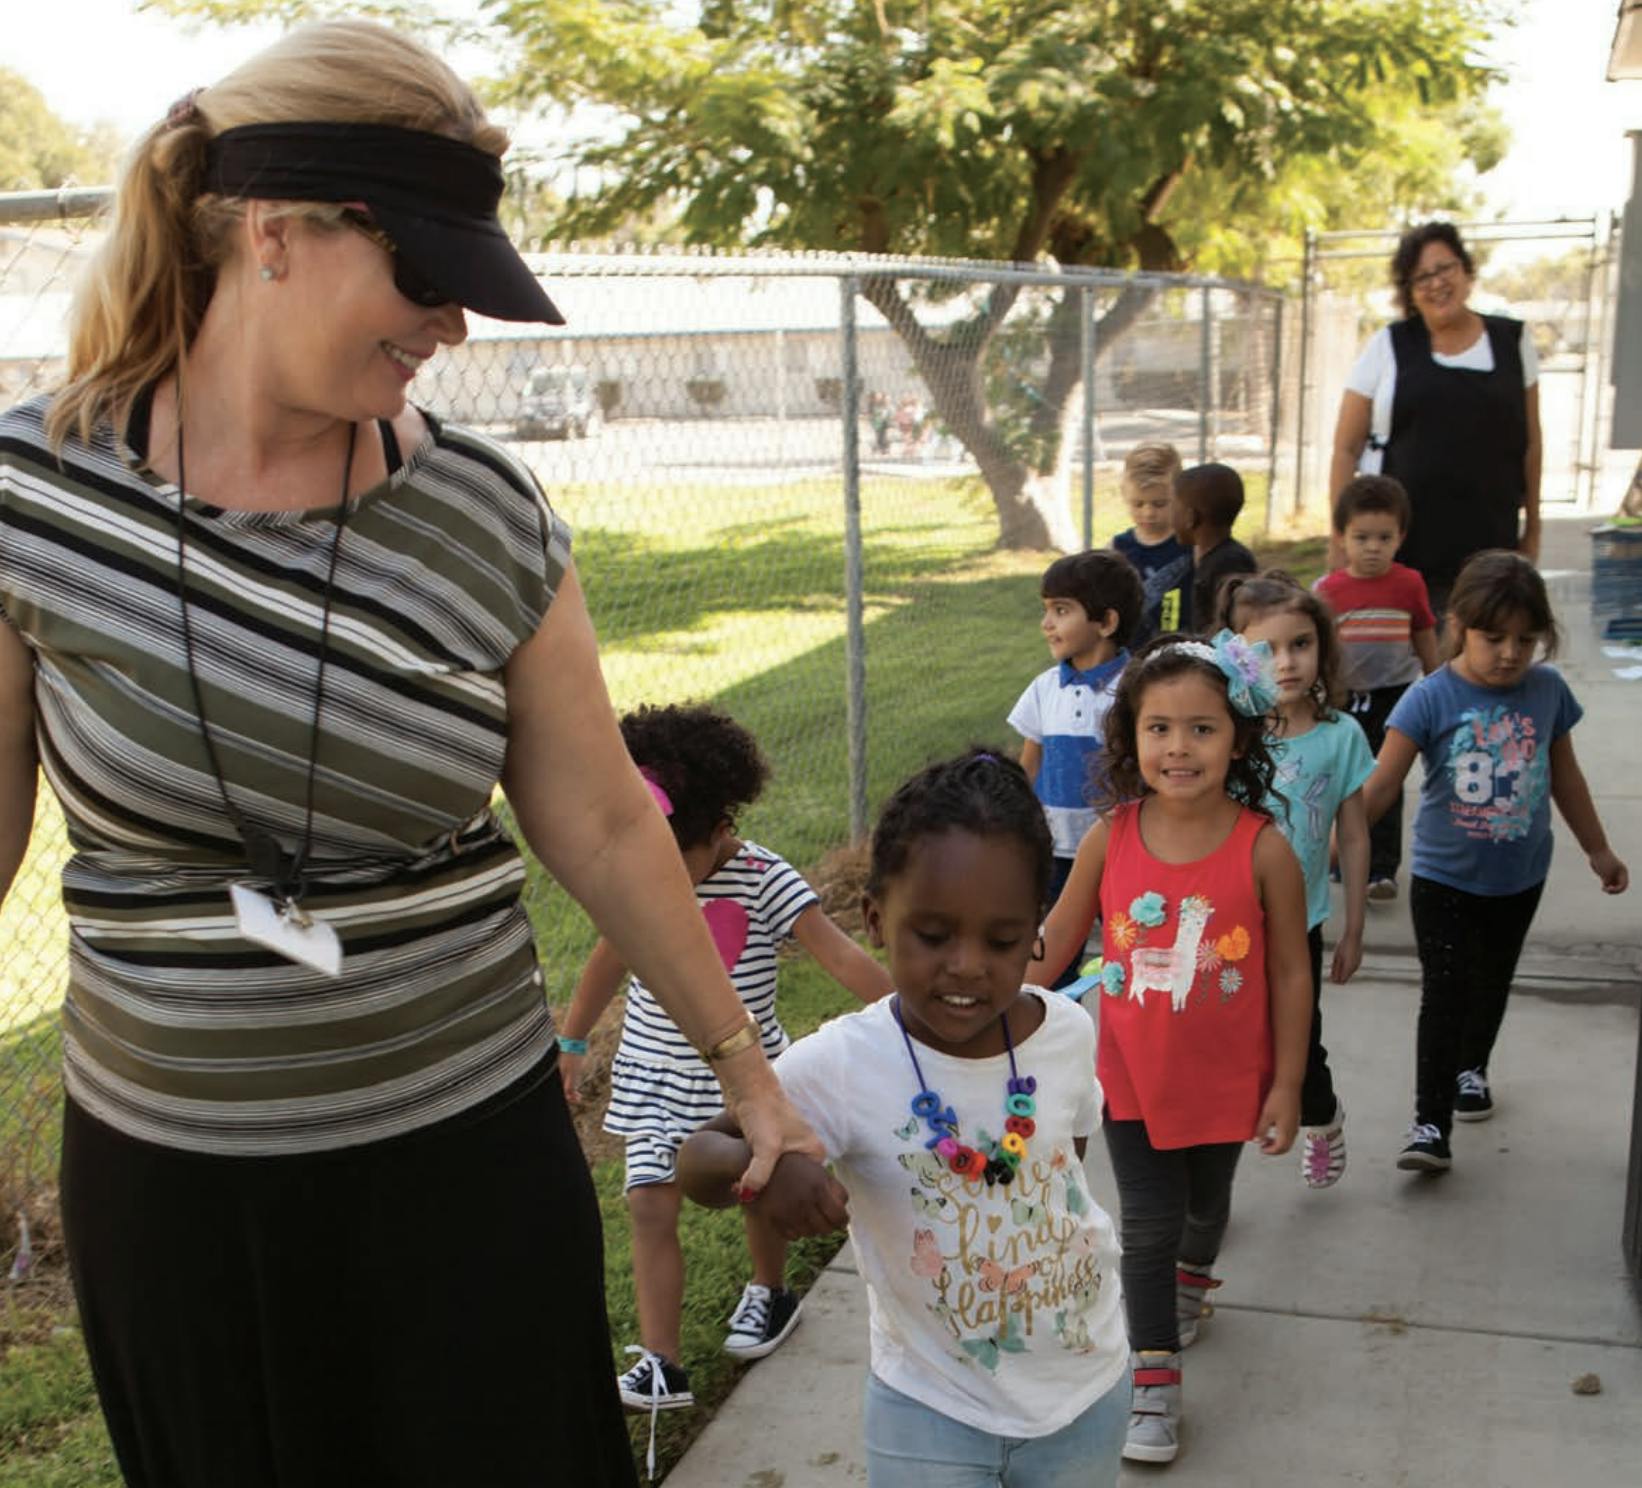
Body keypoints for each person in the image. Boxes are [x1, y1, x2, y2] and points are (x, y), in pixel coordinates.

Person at [0, 23, 823, 1487]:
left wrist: (742, 1066)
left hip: (459, 1161)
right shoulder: (34, 497)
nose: (454, 329)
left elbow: (605, 824)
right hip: (178, 1191)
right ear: (275, 233)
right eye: (427, 281)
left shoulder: (483, 513)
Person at [678, 750, 1132, 1488]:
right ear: (876, 920)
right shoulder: (848, 1064)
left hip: (1086, 1385)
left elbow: (1064, 1168)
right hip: (930, 1410)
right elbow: (696, 1156)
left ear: (1036, 933)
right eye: (933, 934)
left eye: (1002, 940)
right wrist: (761, 1168)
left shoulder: (1066, 1033)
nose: (967, 966)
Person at [555, 703, 890, 1427]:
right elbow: (607, 959)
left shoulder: (765, 878)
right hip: (653, 1072)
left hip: (742, 1081)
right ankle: (661, 1362)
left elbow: (840, 956)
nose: (657, 873)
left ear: (718, 829)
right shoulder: (643, 881)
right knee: (648, 1204)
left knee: (756, 1188)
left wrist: (912, 1018)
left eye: (673, 855)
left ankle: (770, 1292)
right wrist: (574, 1043)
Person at [1032, 632, 1311, 1465]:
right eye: (1159, 728)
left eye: (1201, 728)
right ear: (1131, 738)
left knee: (1204, 1207)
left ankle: (1196, 1276)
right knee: (1147, 1225)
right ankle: (1152, 1378)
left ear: (1239, 738)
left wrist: (1288, 1084)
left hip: (1229, 1079)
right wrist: (989, 982)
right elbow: (1055, 945)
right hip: (1128, 1076)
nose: (1178, 747)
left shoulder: (1264, 848)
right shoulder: (1107, 838)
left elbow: (1294, 976)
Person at [1363, 551, 1628, 1173]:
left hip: (1520, 876)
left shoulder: (1547, 691)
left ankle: (1472, 1069)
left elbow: (1565, 777)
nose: (1510, 653)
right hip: (1443, 877)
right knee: (1445, 991)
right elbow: (1380, 788)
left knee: (1492, 980)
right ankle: (1430, 1121)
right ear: (1458, 626)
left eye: (1525, 639)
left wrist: (1598, 848)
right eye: (1493, 638)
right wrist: (1325, 843)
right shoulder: (1429, 699)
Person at [1219, 573, 1374, 1191]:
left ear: (1321, 649)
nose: (1285, 663)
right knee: (1231, 1048)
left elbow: (1356, 835)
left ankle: (1323, 1116)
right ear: (1237, 656)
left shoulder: (1341, 737)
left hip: (1299, 924)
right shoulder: (1230, 733)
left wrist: (1353, 926)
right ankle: (1213, 1178)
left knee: (1301, 1046)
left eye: (1300, 644)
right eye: (1266, 649)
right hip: (1230, 923)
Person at [1328, 221, 1543, 613]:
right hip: (1405, 552)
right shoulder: (1387, 346)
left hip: (1491, 542)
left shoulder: (1513, 341)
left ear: (1466, 270)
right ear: (1408, 290)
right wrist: (1338, 539)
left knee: (1486, 657)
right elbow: (1345, 448)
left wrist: (1534, 530)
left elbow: (1531, 443)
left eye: (1445, 268)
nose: (1436, 283)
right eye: (1422, 276)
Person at [1007, 549, 1143, 942]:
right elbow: (1028, 767)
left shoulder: (1136, 690)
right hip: (1054, 851)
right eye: (1046, 610)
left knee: (1128, 944)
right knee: (1054, 947)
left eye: (1061, 611)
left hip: (1118, 850)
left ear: (1106, 622)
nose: (1046, 624)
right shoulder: (1044, 688)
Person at [1315, 475, 1439, 900]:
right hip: (1343, 698)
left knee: (1385, 780)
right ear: (1341, 537)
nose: (1372, 547)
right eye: (1361, 537)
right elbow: (1319, 648)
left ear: (1400, 537)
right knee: (1345, 781)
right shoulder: (1329, 590)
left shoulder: (1409, 584)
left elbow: (1424, 635)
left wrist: (1438, 682)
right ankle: (1340, 859)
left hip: (1396, 697)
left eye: (1383, 538)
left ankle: (1381, 869)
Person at [1135, 463, 1258, 646]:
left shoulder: (1229, 564)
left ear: (1191, 517)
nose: (1170, 517)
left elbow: (1227, 626)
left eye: (1174, 507)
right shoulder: (1209, 557)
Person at [1112, 441, 1188, 584]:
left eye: (1160, 504)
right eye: (1138, 504)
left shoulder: (1191, 545)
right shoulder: (1117, 548)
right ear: (1124, 495)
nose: (1148, 513)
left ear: (1180, 495)